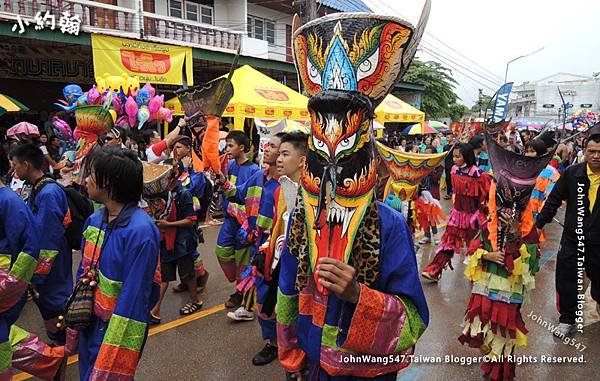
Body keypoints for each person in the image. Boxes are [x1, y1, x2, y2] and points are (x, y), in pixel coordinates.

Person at [75, 147, 160, 380]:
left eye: (92, 174)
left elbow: (135, 298)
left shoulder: (140, 231)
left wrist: (114, 342)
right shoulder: (94, 219)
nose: (86, 180)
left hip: (116, 325)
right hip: (89, 320)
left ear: (109, 183)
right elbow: (83, 270)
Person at [536, 124, 600, 337]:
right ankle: (567, 319)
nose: (596, 156)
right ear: (584, 151)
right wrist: (537, 225)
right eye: (592, 151)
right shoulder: (572, 174)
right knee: (566, 277)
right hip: (574, 237)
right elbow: (553, 200)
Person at [10, 143, 73, 345]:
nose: (13, 169)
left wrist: (36, 276)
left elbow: (49, 239)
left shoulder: (48, 193)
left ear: (26, 165)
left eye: (15, 164)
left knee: (55, 304)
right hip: (45, 261)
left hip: (52, 263)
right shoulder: (38, 188)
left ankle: (63, 347)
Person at [421, 143, 491, 281]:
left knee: (476, 246)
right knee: (448, 243)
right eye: (453, 156)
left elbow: (488, 197)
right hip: (457, 215)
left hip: (474, 218)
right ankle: (434, 271)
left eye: (458, 156)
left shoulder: (480, 175)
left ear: (467, 156)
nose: (454, 159)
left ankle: (477, 274)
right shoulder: (453, 170)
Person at [150, 159, 203, 322]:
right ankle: (155, 308)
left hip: (183, 241)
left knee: (187, 274)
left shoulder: (184, 193)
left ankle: (196, 300)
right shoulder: (160, 194)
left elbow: (191, 220)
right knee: (164, 276)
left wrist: (169, 224)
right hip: (167, 240)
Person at [215, 131, 261, 308]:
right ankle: (244, 282)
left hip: (245, 224)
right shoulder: (229, 165)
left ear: (242, 148)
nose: (227, 149)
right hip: (229, 220)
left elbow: (248, 197)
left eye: (231, 145)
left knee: (243, 260)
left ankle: (240, 292)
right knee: (222, 252)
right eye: (226, 145)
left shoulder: (254, 171)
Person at [169, 135, 210, 294]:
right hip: (176, 213)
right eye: (174, 147)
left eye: (179, 147)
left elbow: (190, 188)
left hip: (190, 215)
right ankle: (187, 280)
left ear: (188, 149)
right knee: (178, 249)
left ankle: (201, 275)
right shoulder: (174, 164)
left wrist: (185, 169)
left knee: (188, 248)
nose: (176, 150)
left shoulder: (197, 168)